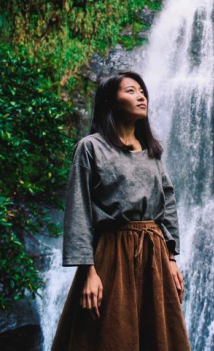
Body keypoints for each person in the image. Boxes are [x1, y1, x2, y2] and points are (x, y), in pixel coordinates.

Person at [51, 70, 191, 351]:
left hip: (155, 256)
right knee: (109, 334)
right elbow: (78, 211)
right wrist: (88, 272)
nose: (140, 96)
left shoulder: (151, 151)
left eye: (141, 91)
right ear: (111, 102)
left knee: (158, 336)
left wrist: (172, 258)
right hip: (112, 254)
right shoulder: (91, 148)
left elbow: (168, 204)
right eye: (130, 90)